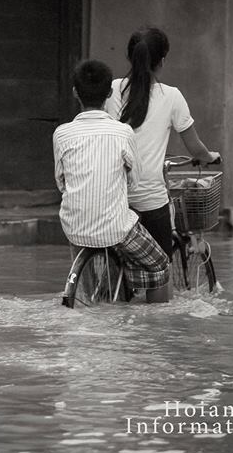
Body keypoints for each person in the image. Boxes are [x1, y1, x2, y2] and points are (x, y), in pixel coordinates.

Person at [105, 27, 220, 302]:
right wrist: (209, 157)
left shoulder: (111, 90)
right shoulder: (172, 96)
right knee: (160, 272)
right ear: (162, 61)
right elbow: (195, 147)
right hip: (149, 200)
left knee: (115, 267)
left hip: (114, 197)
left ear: (130, 56)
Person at [54, 59, 170, 302]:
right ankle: (157, 325)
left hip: (74, 226)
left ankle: (89, 295)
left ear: (75, 92)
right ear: (109, 93)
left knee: (85, 248)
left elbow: (61, 182)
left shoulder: (62, 133)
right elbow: (134, 181)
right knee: (160, 264)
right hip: (116, 227)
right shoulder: (123, 132)